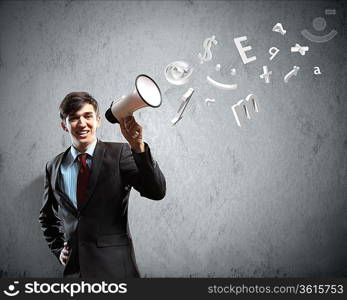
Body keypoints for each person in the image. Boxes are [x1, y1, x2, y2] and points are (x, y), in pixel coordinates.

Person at [39, 92, 166, 278]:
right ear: (64, 126)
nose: (82, 123)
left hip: (116, 270)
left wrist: (138, 147)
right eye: (73, 118)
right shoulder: (53, 166)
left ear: (98, 120)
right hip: (75, 274)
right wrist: (59, 250)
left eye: (87, 116)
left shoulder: (121, 153)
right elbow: (47, 217)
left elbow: (157, 191)